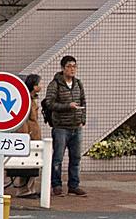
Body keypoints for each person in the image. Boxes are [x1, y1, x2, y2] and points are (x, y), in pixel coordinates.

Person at [44, 55, 88, 197]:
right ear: (63, 68)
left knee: (76, 158)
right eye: (69, 66)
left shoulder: (78, 83)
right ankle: (56, 185)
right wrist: (67, 106)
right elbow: (49, 103)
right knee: (58, 157)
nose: (72, 69)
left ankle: (73, 185)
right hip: (61, 127)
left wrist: (83, 119)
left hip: (76, 126)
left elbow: (83, 102)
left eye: (74, 66)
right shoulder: (55, 84)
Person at [12, 74, 44, 199]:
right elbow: (25, 121)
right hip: (28, 135)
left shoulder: (33, 99)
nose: (40, 86)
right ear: (34, 86)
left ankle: (31, 189)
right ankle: (24, 190)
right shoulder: (26, 100)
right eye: (39, 84)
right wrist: (25, 136)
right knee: (25, 164)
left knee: (32, 165)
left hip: (34, 135)